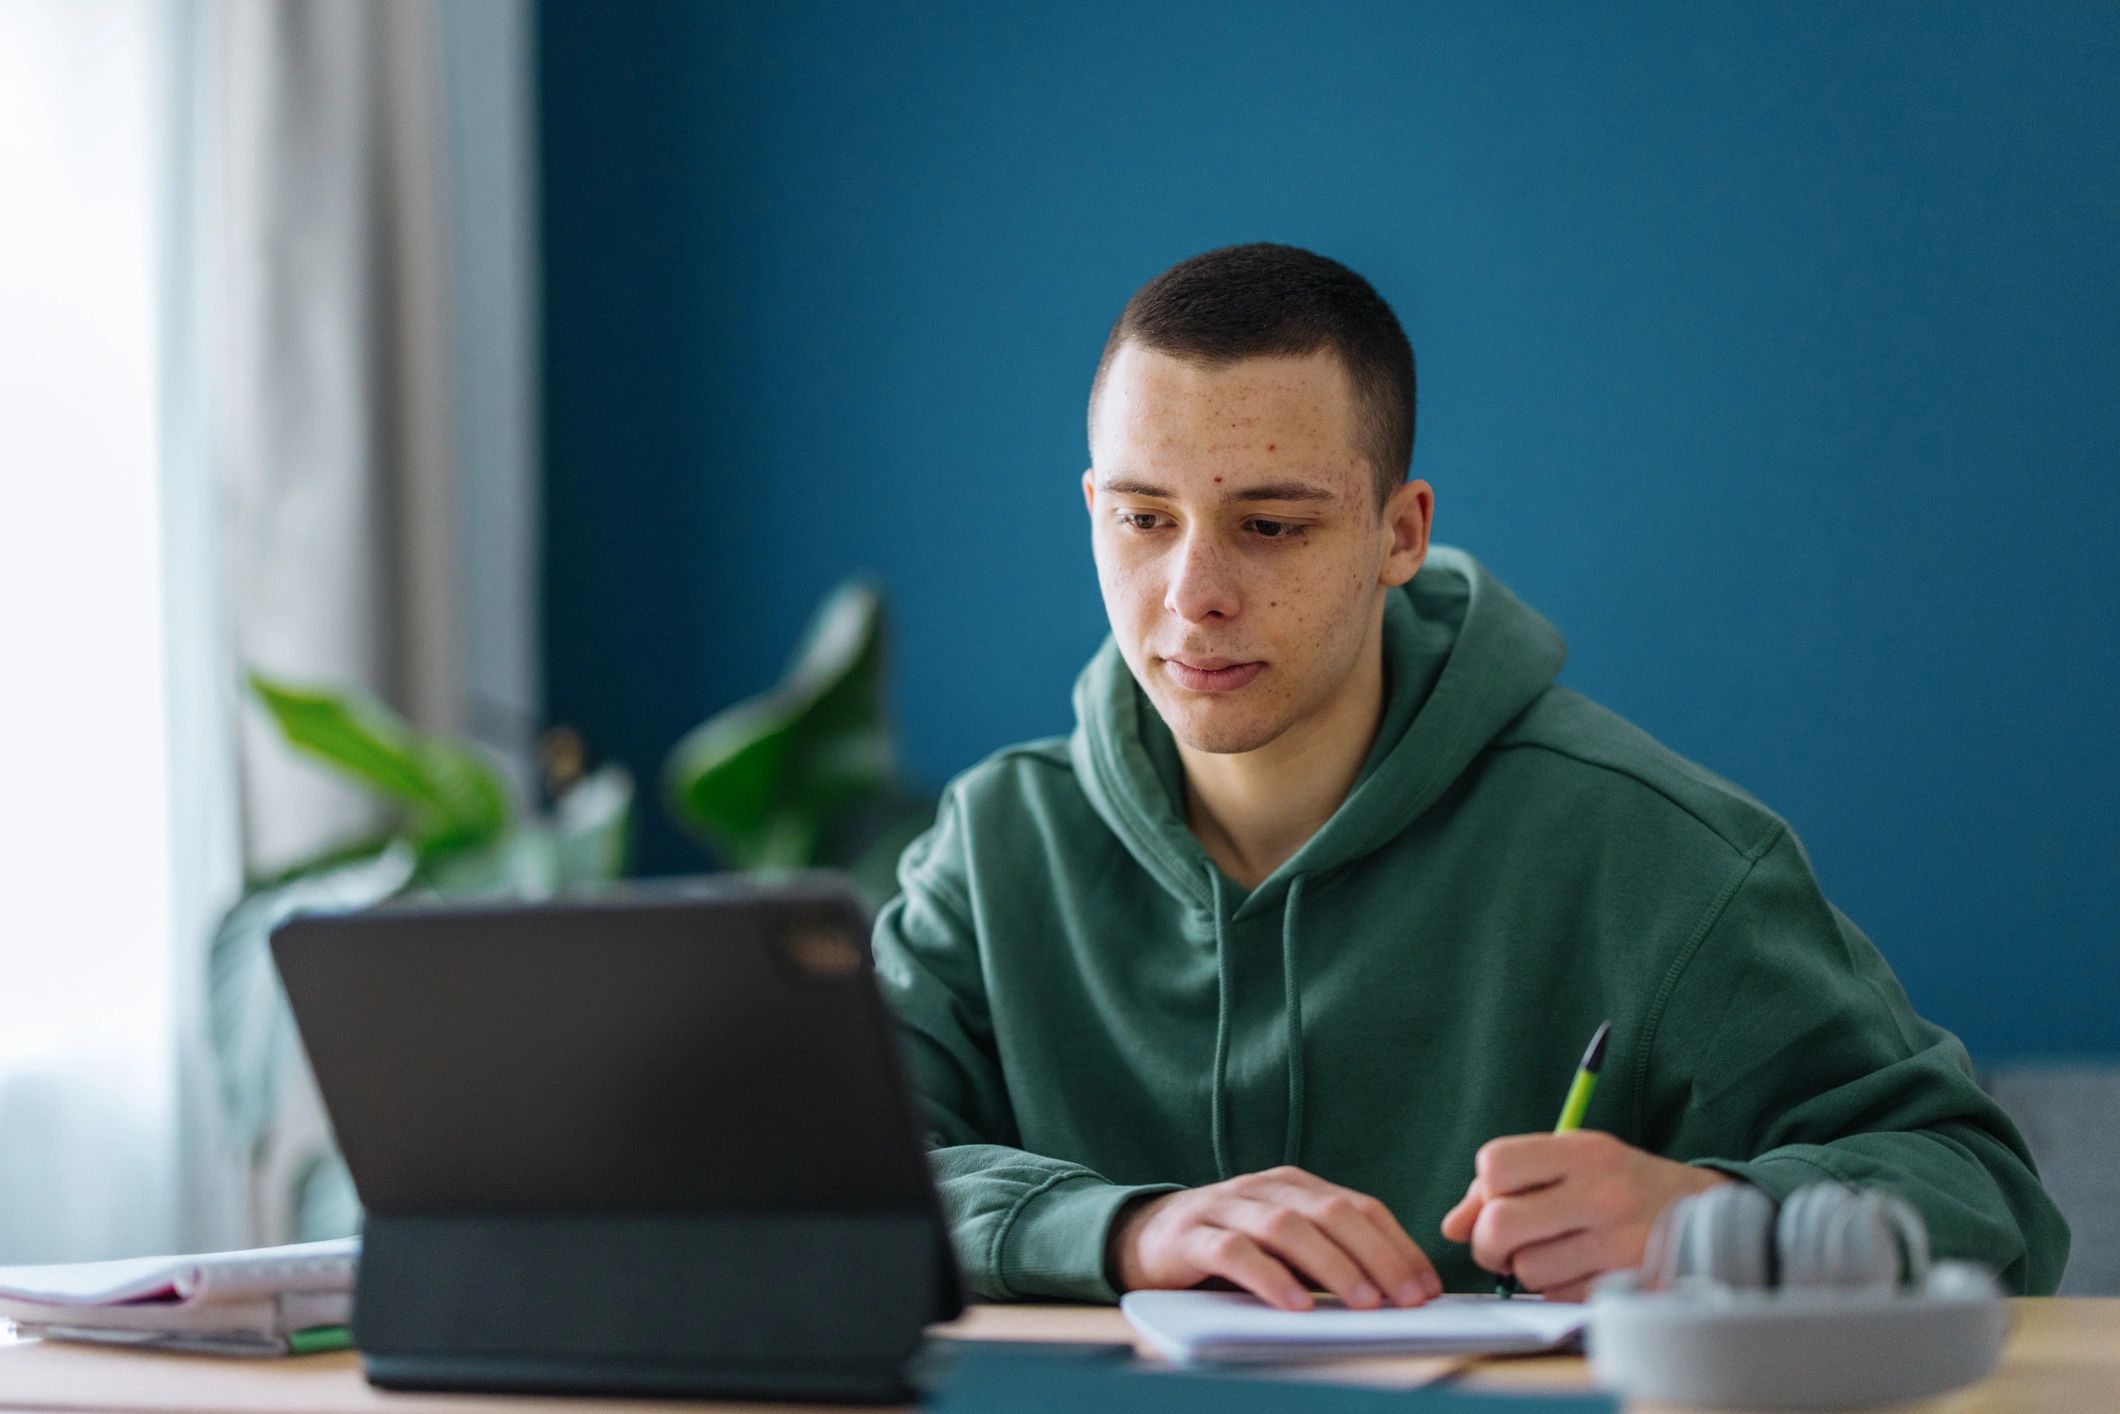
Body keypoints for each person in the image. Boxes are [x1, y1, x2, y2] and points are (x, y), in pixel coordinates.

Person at [870, 243, 2069, 1308]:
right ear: (1091, 509)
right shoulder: (990, 851)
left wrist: (1709, 1218)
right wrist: (1125, 1229)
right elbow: (812, 1187)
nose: (1192, 597)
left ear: (1400, 532)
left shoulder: (1660, 856)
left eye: (1271, 525)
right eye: (1141, 519)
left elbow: (1988, 1202)